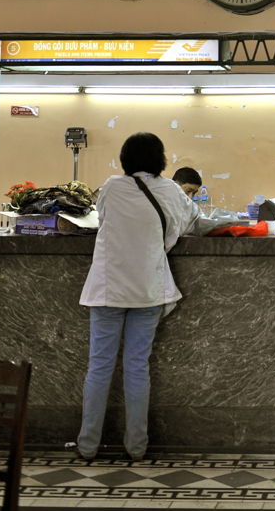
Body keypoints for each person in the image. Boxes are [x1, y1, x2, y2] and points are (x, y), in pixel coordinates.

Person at [76, 132, 200, 462]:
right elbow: (186, 222)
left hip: (108, 290)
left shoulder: (112, 187)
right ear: (160, 160)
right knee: (137, 368)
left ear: (125, 158)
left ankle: (87, 445)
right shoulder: (171, 190)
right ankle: (137, 447)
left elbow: (102, 220)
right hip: (147, 290)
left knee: (99, 367)